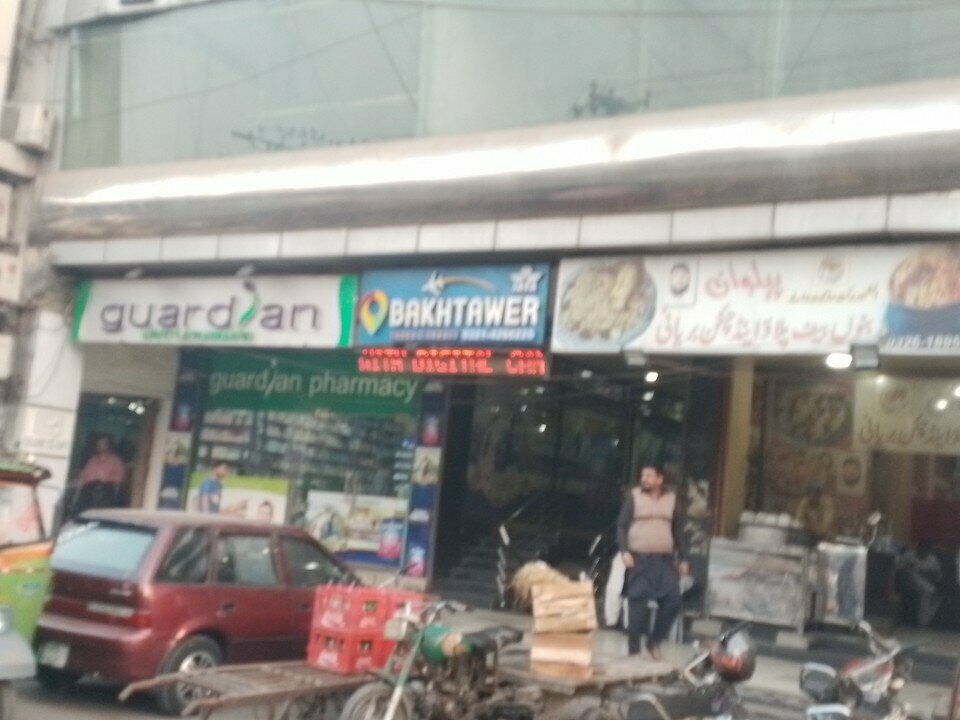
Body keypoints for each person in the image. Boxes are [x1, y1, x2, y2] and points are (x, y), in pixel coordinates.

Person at [616, 464, 689, 660]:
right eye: (642, 475)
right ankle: (634, 650)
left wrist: (682, 558)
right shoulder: (634, 497)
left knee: (673, 601)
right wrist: (624, 551)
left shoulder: (671, 499)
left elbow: (678, 531)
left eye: (649, 476)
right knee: (637, 605)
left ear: (659, 479)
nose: (644, 479)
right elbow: (621, 526)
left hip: (664, 561)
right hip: (639, 559)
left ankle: (654, 641)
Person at [72, 435, 126, 514]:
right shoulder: (93, 460)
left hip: (106, 492)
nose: (100, 446)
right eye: (99, 444)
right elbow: (84, 475)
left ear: (109, 445)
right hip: (90, 491)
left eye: (103, 444)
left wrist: (114, 493)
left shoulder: (115, 461)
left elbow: (120, 479)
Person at [897, 539, 942, 626]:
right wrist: (908, 568)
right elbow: (897, 569)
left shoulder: (933, 560)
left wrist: (920, 571)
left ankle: (923, 621)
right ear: (919, 548)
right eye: (923, 548)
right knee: (912, 574)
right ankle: (932, 593)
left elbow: (936, 576)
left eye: (928, 550)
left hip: (925, 584)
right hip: (908, 582)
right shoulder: (908, 555)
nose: (925, 551)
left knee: (925, 592)